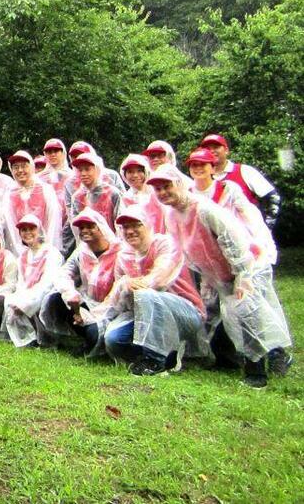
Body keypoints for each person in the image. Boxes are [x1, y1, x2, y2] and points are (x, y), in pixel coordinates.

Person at [147, 165, 292, 388]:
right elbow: (182, 250)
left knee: (246, 314)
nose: (163, 193)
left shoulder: (204, 209)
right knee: (214, 315)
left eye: (167, 186)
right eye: (158, 189)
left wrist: (242, 276)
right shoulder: (172, 213)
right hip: (215, 273)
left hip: (245, 265)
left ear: (179, 184)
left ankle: (258, 371)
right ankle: (226, 360)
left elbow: (234, 241)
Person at [102, 205, 208, 376]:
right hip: (143, 315)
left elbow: (159, 278)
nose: (130, 231)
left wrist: (138, 284)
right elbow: (118, 299)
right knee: (114, 340)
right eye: (126, 227)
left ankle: (156, 361)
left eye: (136, 225)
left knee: (146, 294)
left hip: (185, 312)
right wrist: (124, 285)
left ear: (148, 225)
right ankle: (163, 356)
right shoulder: (124, 256)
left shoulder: (165, 243)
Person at [40, 209, 121, 355]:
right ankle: (79, 336)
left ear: (100, 227)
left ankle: (93, 339)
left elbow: (120, 291)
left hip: (112, 309)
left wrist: (95, 313)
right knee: (55, 298)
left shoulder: (119, 252)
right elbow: (64, 273)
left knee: (95, 334)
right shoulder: (82, 251)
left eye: (90, 226)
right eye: (81, 228)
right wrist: (71, 295)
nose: (84, 230)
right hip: (88, 303)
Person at [187, 148, 276, 265]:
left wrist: (258, 243)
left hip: (236, 246)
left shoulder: (227, 189)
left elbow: (249, 217)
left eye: (203, 164)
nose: (198, 168)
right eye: (194, 165)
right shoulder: (187, 195)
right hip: (207, 253)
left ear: (213, 168)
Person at [3, 214, 62, 348]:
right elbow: (21, 284)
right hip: (28, 294)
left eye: (31, 229)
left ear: (39, 230)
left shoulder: (52, 253)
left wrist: (26, 302)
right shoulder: (23, 257)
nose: (27, 233)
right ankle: (29, 338)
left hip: (45, 294)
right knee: (10, 301)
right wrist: (19, 299)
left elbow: (48, 282)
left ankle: (47, 338)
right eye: (24, 230)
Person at [200, 133, 281, 229]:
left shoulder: (244, 171)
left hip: (248, 237)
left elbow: (273, 198)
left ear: (226, 150)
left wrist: (266, 229)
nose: (212, 151)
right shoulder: (201, 179)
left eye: (216, 147)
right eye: (208, 149)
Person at [2, 151, 62, 255]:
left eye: (24, 166)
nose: (20, 170)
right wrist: (20, 252)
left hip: (45, 247)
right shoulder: (9, 194)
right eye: (16, 167)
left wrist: (47, 249)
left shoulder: (45, 189)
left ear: (32, 167)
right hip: (21, 250)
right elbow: (10, 227)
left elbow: (53, 221)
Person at [64, 152, 123, 255]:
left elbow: (120, 224)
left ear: (97, 169)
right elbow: (76, 229)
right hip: (88, 250)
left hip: (111, 248)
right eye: (80, 170)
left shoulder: (113, 193)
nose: (83, 174)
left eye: (87, 169)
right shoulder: (77, 197)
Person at [118, 153, 165, 234]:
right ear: (124, 175)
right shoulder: (125, 199)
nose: (135, 175)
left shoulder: (157, 193)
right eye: (130, 172)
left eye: (139, 171)